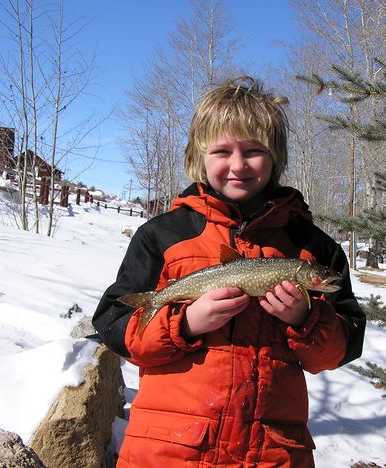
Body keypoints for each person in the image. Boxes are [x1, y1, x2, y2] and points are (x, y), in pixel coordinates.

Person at [93, 77, 366, 467]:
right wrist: (183, 323)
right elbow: (114, 323)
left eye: (253, 151)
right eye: (222, 151)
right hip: (169, 452)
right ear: (199, 157)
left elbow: (340, 349)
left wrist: (306, 318)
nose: (237, 165)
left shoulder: (314, 248)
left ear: (275, 158)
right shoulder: (163, 235)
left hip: (271, 455)